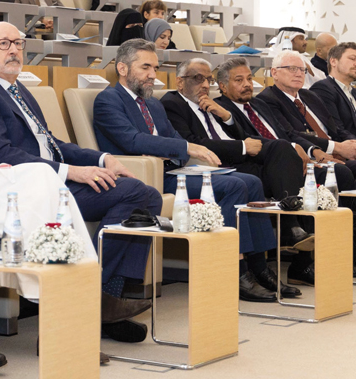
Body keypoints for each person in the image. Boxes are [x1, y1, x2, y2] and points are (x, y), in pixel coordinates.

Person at [0, 23, 160, 340]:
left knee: (148, 198)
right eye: (3, 43)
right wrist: (72, 172)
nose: (13, 50)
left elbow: (53, 144)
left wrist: (101, 159)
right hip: (21, 186)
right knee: (133, 193)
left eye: (18, 43)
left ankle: (104, 299)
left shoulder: (17, 89)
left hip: (49, 178)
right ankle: (96, 300)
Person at [93, 39, 279, 302]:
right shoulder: (108, 100)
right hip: (147, 177)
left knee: (251, 181)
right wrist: (183, 148)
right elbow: (132, 140)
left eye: (155, 68)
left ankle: (259, 267)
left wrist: (178, 149)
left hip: (175, 171)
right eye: (145, 67)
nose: (152, 75)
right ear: (122, 68)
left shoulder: (153, 104)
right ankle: (234, 272)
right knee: (234, 186)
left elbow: (174, 139)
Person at [160, 58, 307, 297]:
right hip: (204, 167)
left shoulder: (209, 104)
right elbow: (192, 143)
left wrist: (226, 116)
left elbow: (241, 134)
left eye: (208, 79)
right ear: (180, 82)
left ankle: (262, 266)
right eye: (197, 78)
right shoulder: (172, 103)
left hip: (231, 162)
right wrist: (242, 147)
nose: (205, 84)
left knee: (280, 149)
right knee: (244, 183)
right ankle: (240, 273)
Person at [212, 56, 356, 285]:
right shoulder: (221, 109)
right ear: (222, 85)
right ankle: (294, 238)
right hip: (262, 166)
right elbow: (243, 141)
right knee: (308, 172)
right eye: (239, 80)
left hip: (290, 161)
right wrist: (290, 149)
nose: (247, 84)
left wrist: (313, 151)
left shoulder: (258, 104)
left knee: (339, 174)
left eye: (249, 78)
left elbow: (288, 133)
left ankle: (329, 257)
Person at [310, 41, 356, 138]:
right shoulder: (322, 89)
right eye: (352, 59)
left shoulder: (353, 92)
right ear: (333, 62)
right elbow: (336, 130)